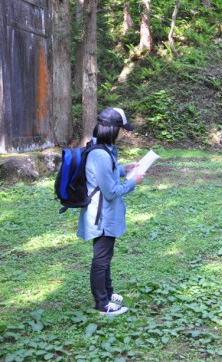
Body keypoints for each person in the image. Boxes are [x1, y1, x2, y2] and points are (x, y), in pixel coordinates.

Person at [77, 107, 145, 316]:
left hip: (103, 213)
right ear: (113, 130)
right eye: (122, 129)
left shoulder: (102, 148)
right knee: (101, 259)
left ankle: (108, 292)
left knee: (105, 255)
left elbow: (106, 174)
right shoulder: (101, 154)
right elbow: (111, 191)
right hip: (102, 216)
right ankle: (101, 303)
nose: (124, 133)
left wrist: (125, 168)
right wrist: (132, 182)